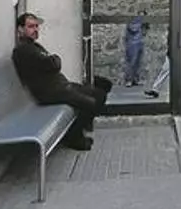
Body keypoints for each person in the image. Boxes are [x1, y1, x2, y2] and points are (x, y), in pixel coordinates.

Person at [12, 12, 112, 151]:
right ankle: (73, 137)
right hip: (50, 93)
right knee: (90, 103)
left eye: (36, 26)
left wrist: (53, 60)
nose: (35, 29)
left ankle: (75, 132)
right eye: (31, 26)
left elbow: (51, 62)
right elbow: (54, 64)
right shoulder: (23, 50)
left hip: (61, 87)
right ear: (20, 29)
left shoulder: (34, 47)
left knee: (100, 93)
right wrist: (54, 60)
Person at [123, 10, 149, 87]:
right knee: (132, 62)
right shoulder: (133, 21)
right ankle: (129, 80)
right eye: (141, 15)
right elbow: (133, 29)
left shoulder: (142, 23)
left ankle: (136, 79)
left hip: (140, 43)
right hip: (132, 44)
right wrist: (141, 21)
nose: (142, 17)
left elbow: (144, 32)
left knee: (138, 63)